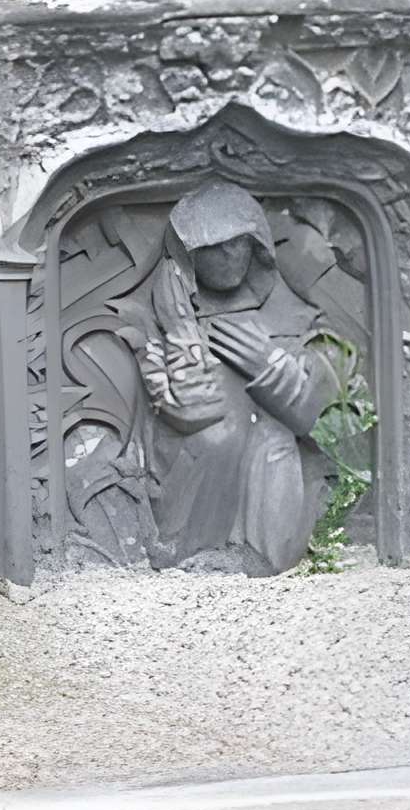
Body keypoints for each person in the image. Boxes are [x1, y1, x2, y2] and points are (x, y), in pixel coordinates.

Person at [137, 182, 336, 573]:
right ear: (188, 256)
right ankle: (190, 550)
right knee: (217, 436)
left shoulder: (292, 313)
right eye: (213, 247)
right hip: (191, 465)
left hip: (268, 469)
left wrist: (272, 369)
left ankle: (256, 557)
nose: (228, 255)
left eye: (238, 243)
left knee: (273, 439)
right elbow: (168, 409)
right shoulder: (166, 315)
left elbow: (326, 421)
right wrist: (180, 332)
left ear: (258, 245)